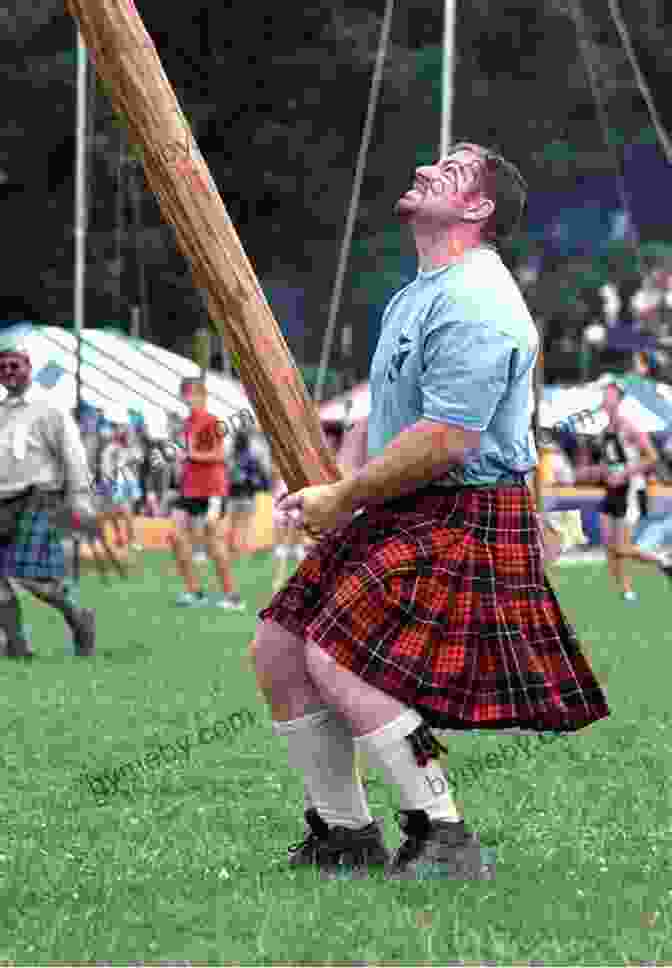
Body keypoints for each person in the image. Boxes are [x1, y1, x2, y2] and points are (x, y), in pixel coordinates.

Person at [251, 142, 610, 880]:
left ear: (479, 210)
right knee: (280, 648)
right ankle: (344, 837)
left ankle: (443, 831)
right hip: (404, 505)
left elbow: (448, 437)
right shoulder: (419, 291)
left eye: (450, 172)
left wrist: (347, 496)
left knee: (340, 653)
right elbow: (381, 416)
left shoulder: (480, 298)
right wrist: (336, 490)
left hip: (465, 505)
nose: (423, 170)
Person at [0, 334, 96, 658]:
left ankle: (79, 616)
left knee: (33, 578)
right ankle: (17, 646)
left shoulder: (50, 409)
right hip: (3, 502)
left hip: (40, 497)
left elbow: (73, 455)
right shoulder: (1, 412)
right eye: (3, 367)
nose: (8, 371)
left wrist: (80, 498)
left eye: (15, 365)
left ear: (29, 367)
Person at [575, 382, 671, 601]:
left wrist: (626, 472)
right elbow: (596, 467)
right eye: (604, 396)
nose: (605, 400)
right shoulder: (601, 433)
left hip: (630, 489)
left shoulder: (629, 427)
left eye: (610, 396)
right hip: (610, 491)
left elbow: (652, 457)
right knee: (609, 545)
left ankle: (662, 560)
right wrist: (594, 469)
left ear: (619, 400)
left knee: (623, 546)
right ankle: (624, 590)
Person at [170, 378, 244, 610]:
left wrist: (190, 455)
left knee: (213, 543)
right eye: (184, 394)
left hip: (213, 489)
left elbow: (220, 456)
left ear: (203, 396)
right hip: (189, 489)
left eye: (191, 394)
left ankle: (232, 597)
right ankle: (194, 593)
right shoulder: (186, 423)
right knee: (175, 536)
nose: (187, 398)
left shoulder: (211, 421)